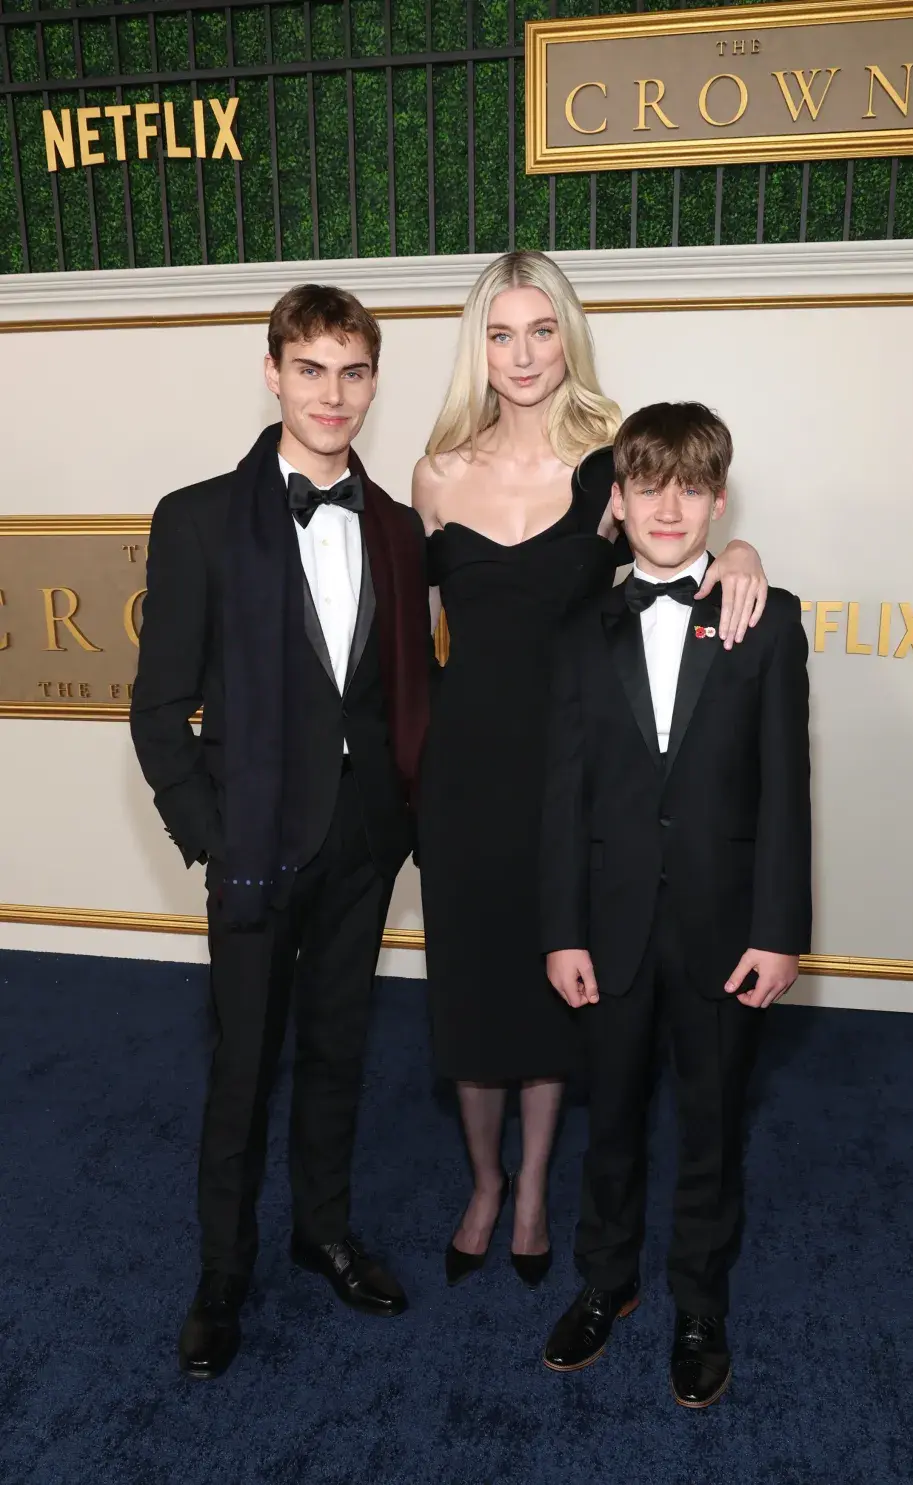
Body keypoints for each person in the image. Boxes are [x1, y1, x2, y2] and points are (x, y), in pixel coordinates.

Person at [411, 251, 769, 1288]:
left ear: (569, 334)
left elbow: (685, 537)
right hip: (465, 771)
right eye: (501, 332)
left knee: (554, 980)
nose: (523, 354)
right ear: (478, 345)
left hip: (577, 771)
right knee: (473, 987)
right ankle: (486, 1180)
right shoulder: (436, 474)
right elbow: (422, 633)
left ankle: (533, 1192)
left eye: (542, 329)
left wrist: (741, 558)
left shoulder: (613, 461)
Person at [130, 285, 433, 1379]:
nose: (333, 394)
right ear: (273, 373)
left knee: (340, 1051)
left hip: (362, 842)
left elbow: (420, 683)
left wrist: (401, 820)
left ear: (373, 383)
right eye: (312, 369)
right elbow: (157, 706)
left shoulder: (397, 526)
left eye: (354, 372)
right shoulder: (199, 516)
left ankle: (324, 1230)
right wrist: (211, 833)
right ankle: (223, 1271)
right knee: (242, 1067)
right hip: (253, 841)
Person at [540, 401, 812, 1406]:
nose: (668, 507)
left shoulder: (767, 618)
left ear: (718, 498)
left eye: (690, 488)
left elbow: (787, 789)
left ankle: (700, 1301)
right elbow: (560, 794)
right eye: (647, 486)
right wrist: (561, 931)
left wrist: (781, 933)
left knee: (713, 1121)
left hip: (723, 928)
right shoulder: (581, 627)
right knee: (608, 1118)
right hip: (606, 930)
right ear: (620, 498)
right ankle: (605, 1283)